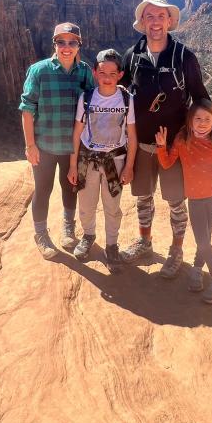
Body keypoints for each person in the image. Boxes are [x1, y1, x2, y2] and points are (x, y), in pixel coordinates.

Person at [119, 0, 210, 277]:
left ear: (169, 21)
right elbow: (118, 95)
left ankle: (176, 251)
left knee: (175, 202)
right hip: (142, 145)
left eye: (161, 16)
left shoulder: (184, 57)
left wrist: (202, 140)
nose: (155, 22)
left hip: (174, 148)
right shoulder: (132, 56)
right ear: (142, 22)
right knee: (143, 197)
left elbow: (201, 99)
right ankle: (145, 243)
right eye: (150, 16)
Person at [155, 99, 212, 304]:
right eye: (198, 118)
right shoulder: (182, 139)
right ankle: (198, 269)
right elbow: (167, 162)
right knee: (203, 239)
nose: (203, 123)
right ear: (190, 121)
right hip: (195, 197)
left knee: (203, 239)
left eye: (208, 119)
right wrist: (162, 146)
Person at [20, 22, 95, 259]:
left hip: (72, 147)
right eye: (61, 42)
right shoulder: (39, 70)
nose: (66, 47)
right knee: (43, 190)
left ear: (78, 45)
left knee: (70, 186)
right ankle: (41, 234)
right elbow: (27, 109)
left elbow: (94, 106)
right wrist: (30, 145)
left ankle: (68, 227)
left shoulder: (84, 71)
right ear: (54, 44)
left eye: (72, 42)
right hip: (44, 145)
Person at [68, 49, 137, 273]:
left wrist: (129, 166)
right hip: (86, 161)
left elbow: (132, 136)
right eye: (102, 72)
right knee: (86, 204)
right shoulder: (86, 97)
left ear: (120, 75)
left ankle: (111, 245)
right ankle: (88, 236)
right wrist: (72, 165)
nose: (107, 77)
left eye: (112, 73)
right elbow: (77, 133)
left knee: (112, 207)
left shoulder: (127, 99)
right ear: (95, 73)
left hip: (114, 162)